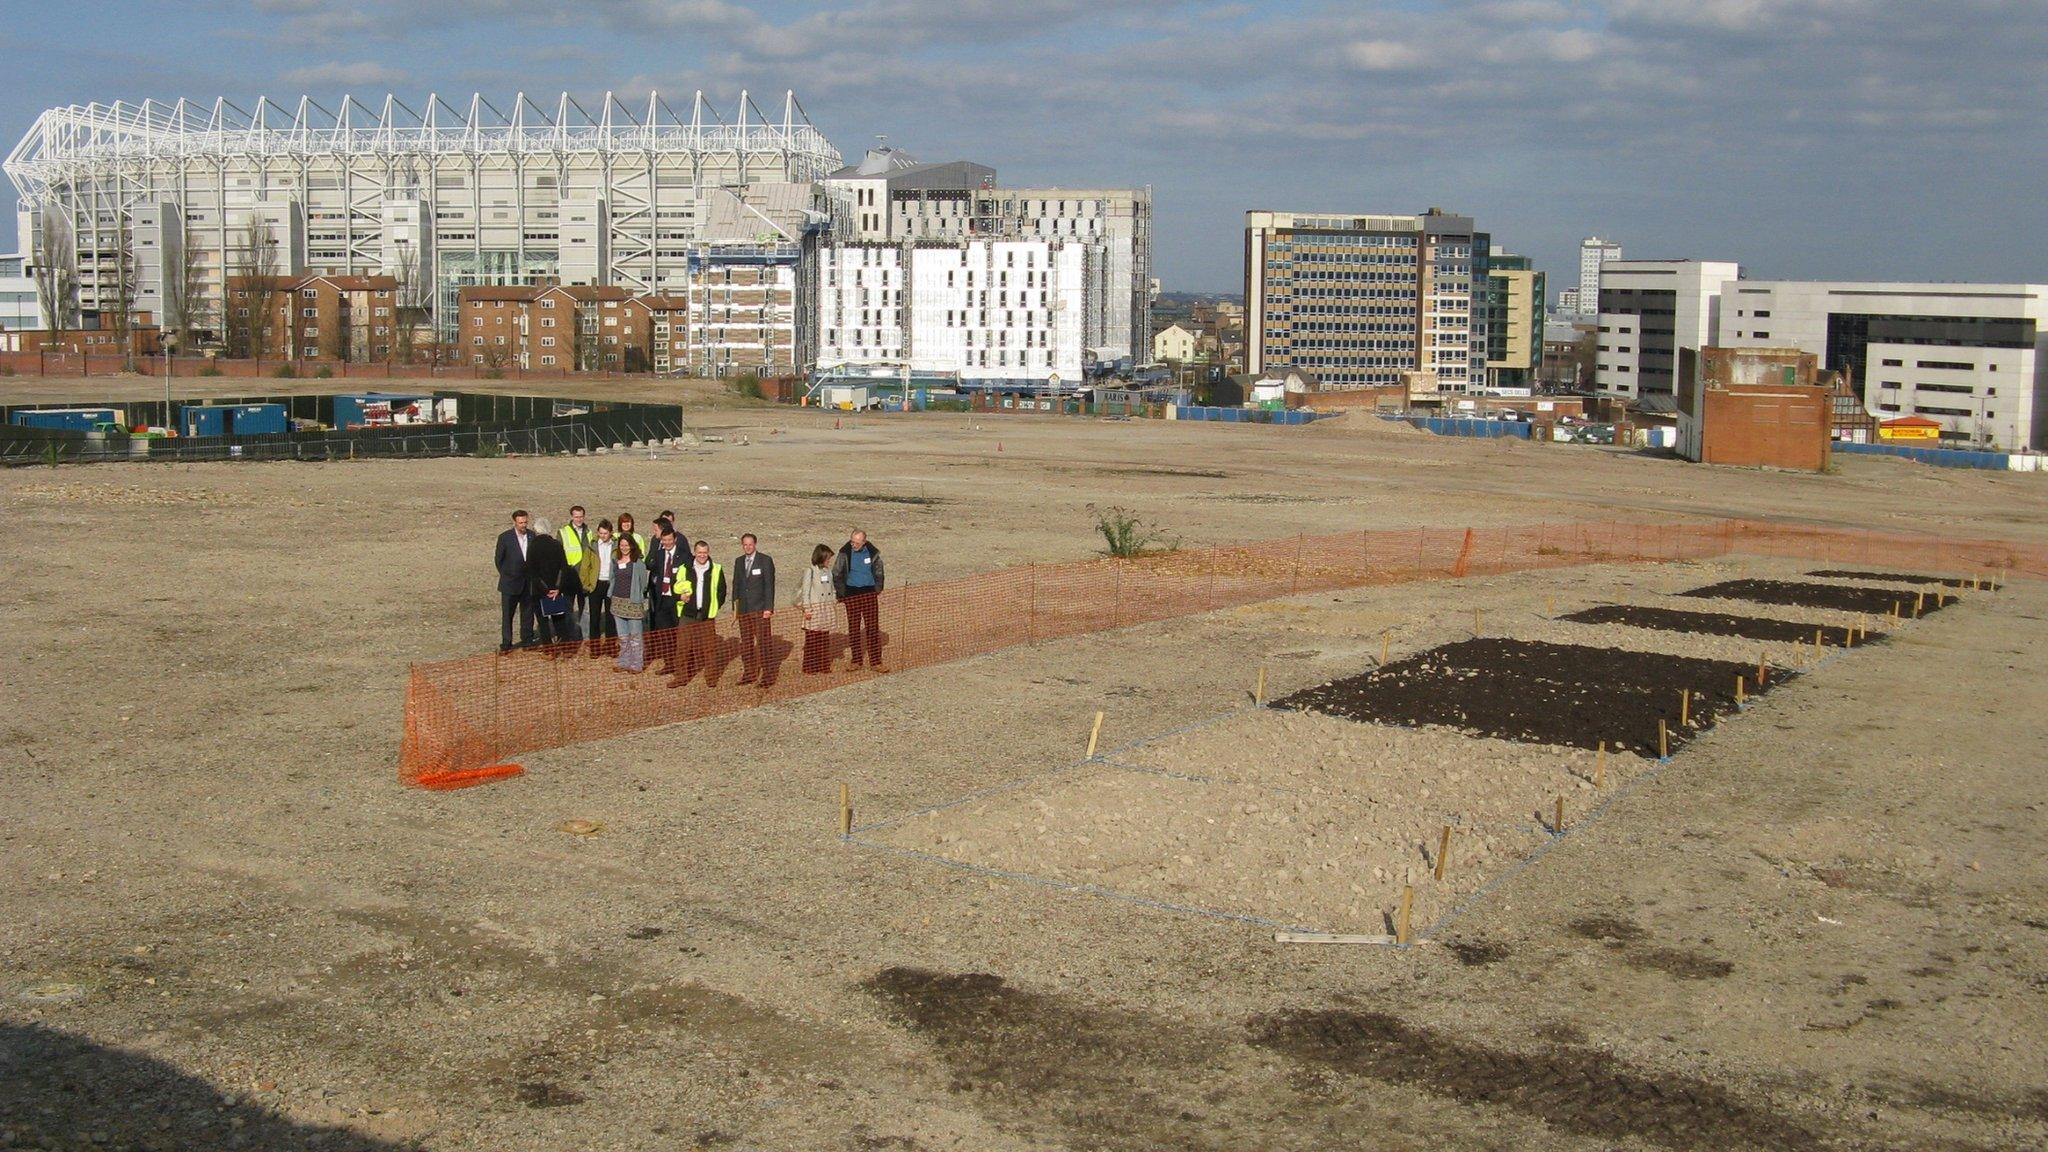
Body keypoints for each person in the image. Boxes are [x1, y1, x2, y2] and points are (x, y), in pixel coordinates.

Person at [833, 528, 886, 671]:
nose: (853, 545)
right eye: (852, 542)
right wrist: (841, 593)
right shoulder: (844, 552)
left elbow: (879, 570)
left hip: (869, 592)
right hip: (852, 593)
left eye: (857, 543)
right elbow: (836, 573)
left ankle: (876, 662)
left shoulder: (872, 553)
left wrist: (878, 588)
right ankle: (856, 660)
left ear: (864, 542)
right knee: (854, 627)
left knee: (872, 627)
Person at [676, 539, 727, 684]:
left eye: (705, 553)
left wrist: (714, 607)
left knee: (709, 649)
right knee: (682, 648)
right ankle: (680, 678)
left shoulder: (716, 569)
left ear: (708, 553)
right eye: (699, 552)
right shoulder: (684, 568)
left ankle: (711, 678)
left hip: (706, 616)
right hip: (687, 614)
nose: (702, 555)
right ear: (694, 552)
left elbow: (722, 592)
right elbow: (676, 587)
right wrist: (680, 597)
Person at [731, 532, 777, 685]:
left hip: (760, 610)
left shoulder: (765, 560)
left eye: (750, 544)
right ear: (742, 545)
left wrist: (768, 608)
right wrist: (735, 609)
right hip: (744, 611)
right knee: (746, 644)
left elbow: (769, 586)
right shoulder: (738, 561)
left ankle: (768, 676)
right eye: (745, 544)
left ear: (755, 544)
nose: (748, 547)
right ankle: (749, 673)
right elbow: (736, 585)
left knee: (764, 643)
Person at [527, 516, 579, 648]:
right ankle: (565, 647)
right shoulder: (557, 544)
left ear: (536, 530)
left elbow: (533, 572)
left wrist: (545, 590)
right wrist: (557, 589)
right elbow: (563, 568)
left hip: (539, 590)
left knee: (543, 622)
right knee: (558, 619)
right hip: (555, 590)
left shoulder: (532, 546)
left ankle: (549, 649)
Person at [494, 509, 536, 652]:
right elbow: (498, 560)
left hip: (528, 583)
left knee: (528, 613)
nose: (523, 525)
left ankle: (527, 640)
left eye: (525, 522)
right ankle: (506, 643)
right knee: (507, 615)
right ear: (514, 522)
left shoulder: (532, 536)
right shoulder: (505, 538)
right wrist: (508, 575)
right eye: (520, 522)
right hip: (510, 583)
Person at [793, 543, 839, 674]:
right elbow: (805, 592)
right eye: (827, 558)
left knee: (824, 638)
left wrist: (834, 600)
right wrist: (807, 609)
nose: (829, 561)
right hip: (814, 610)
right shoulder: (810, 571)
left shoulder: (828, 571)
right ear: (821, 557)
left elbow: (832, 588)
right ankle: (810, 667)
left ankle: (823, 665)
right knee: (812, 639)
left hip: (826, 608)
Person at [646, 525, 685, 671]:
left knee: (678, 633)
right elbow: (653, 569)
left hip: (677, 600)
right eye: (664, 540)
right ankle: (669, 664)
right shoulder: (660, 554)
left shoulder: (683, 555)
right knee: (664, 633)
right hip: (662, 599)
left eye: (669, 540)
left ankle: (683, 663)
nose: (667, 543)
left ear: (674, 539)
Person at [610, 535, 648, 672]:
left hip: (633, 604)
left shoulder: (638, 563)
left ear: (632, 545)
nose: (624, 548)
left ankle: (637, 664)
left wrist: (637, 595)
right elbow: (612, 578)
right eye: (621, 545)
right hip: (617, 603)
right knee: (623, 637)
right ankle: (624, 662)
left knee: (635, 637)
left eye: (626, 545)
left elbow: (643, 583)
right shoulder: (615, 560)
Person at [561, 505, 596, 638]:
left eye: (581, 516)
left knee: (585, 609)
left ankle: (584, 635)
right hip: (570, 576)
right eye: (576, 517)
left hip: (585, 577)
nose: (579, 519)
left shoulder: (589, 532)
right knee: (568, 609)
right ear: (571, 517)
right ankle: (570, 636)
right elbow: (561, 555)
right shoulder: (563, 532)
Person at [586, 520, 618, 657]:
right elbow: (585, 566)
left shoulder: (616, 546)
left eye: (605, 533)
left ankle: (610, 647)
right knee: (594, 617)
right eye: (601, 533)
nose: (603, 536)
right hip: (596, 584)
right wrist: (586, 584)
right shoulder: (592, 545)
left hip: (611, 584)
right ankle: (595, 648)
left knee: (611, 618)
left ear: (610, 533)